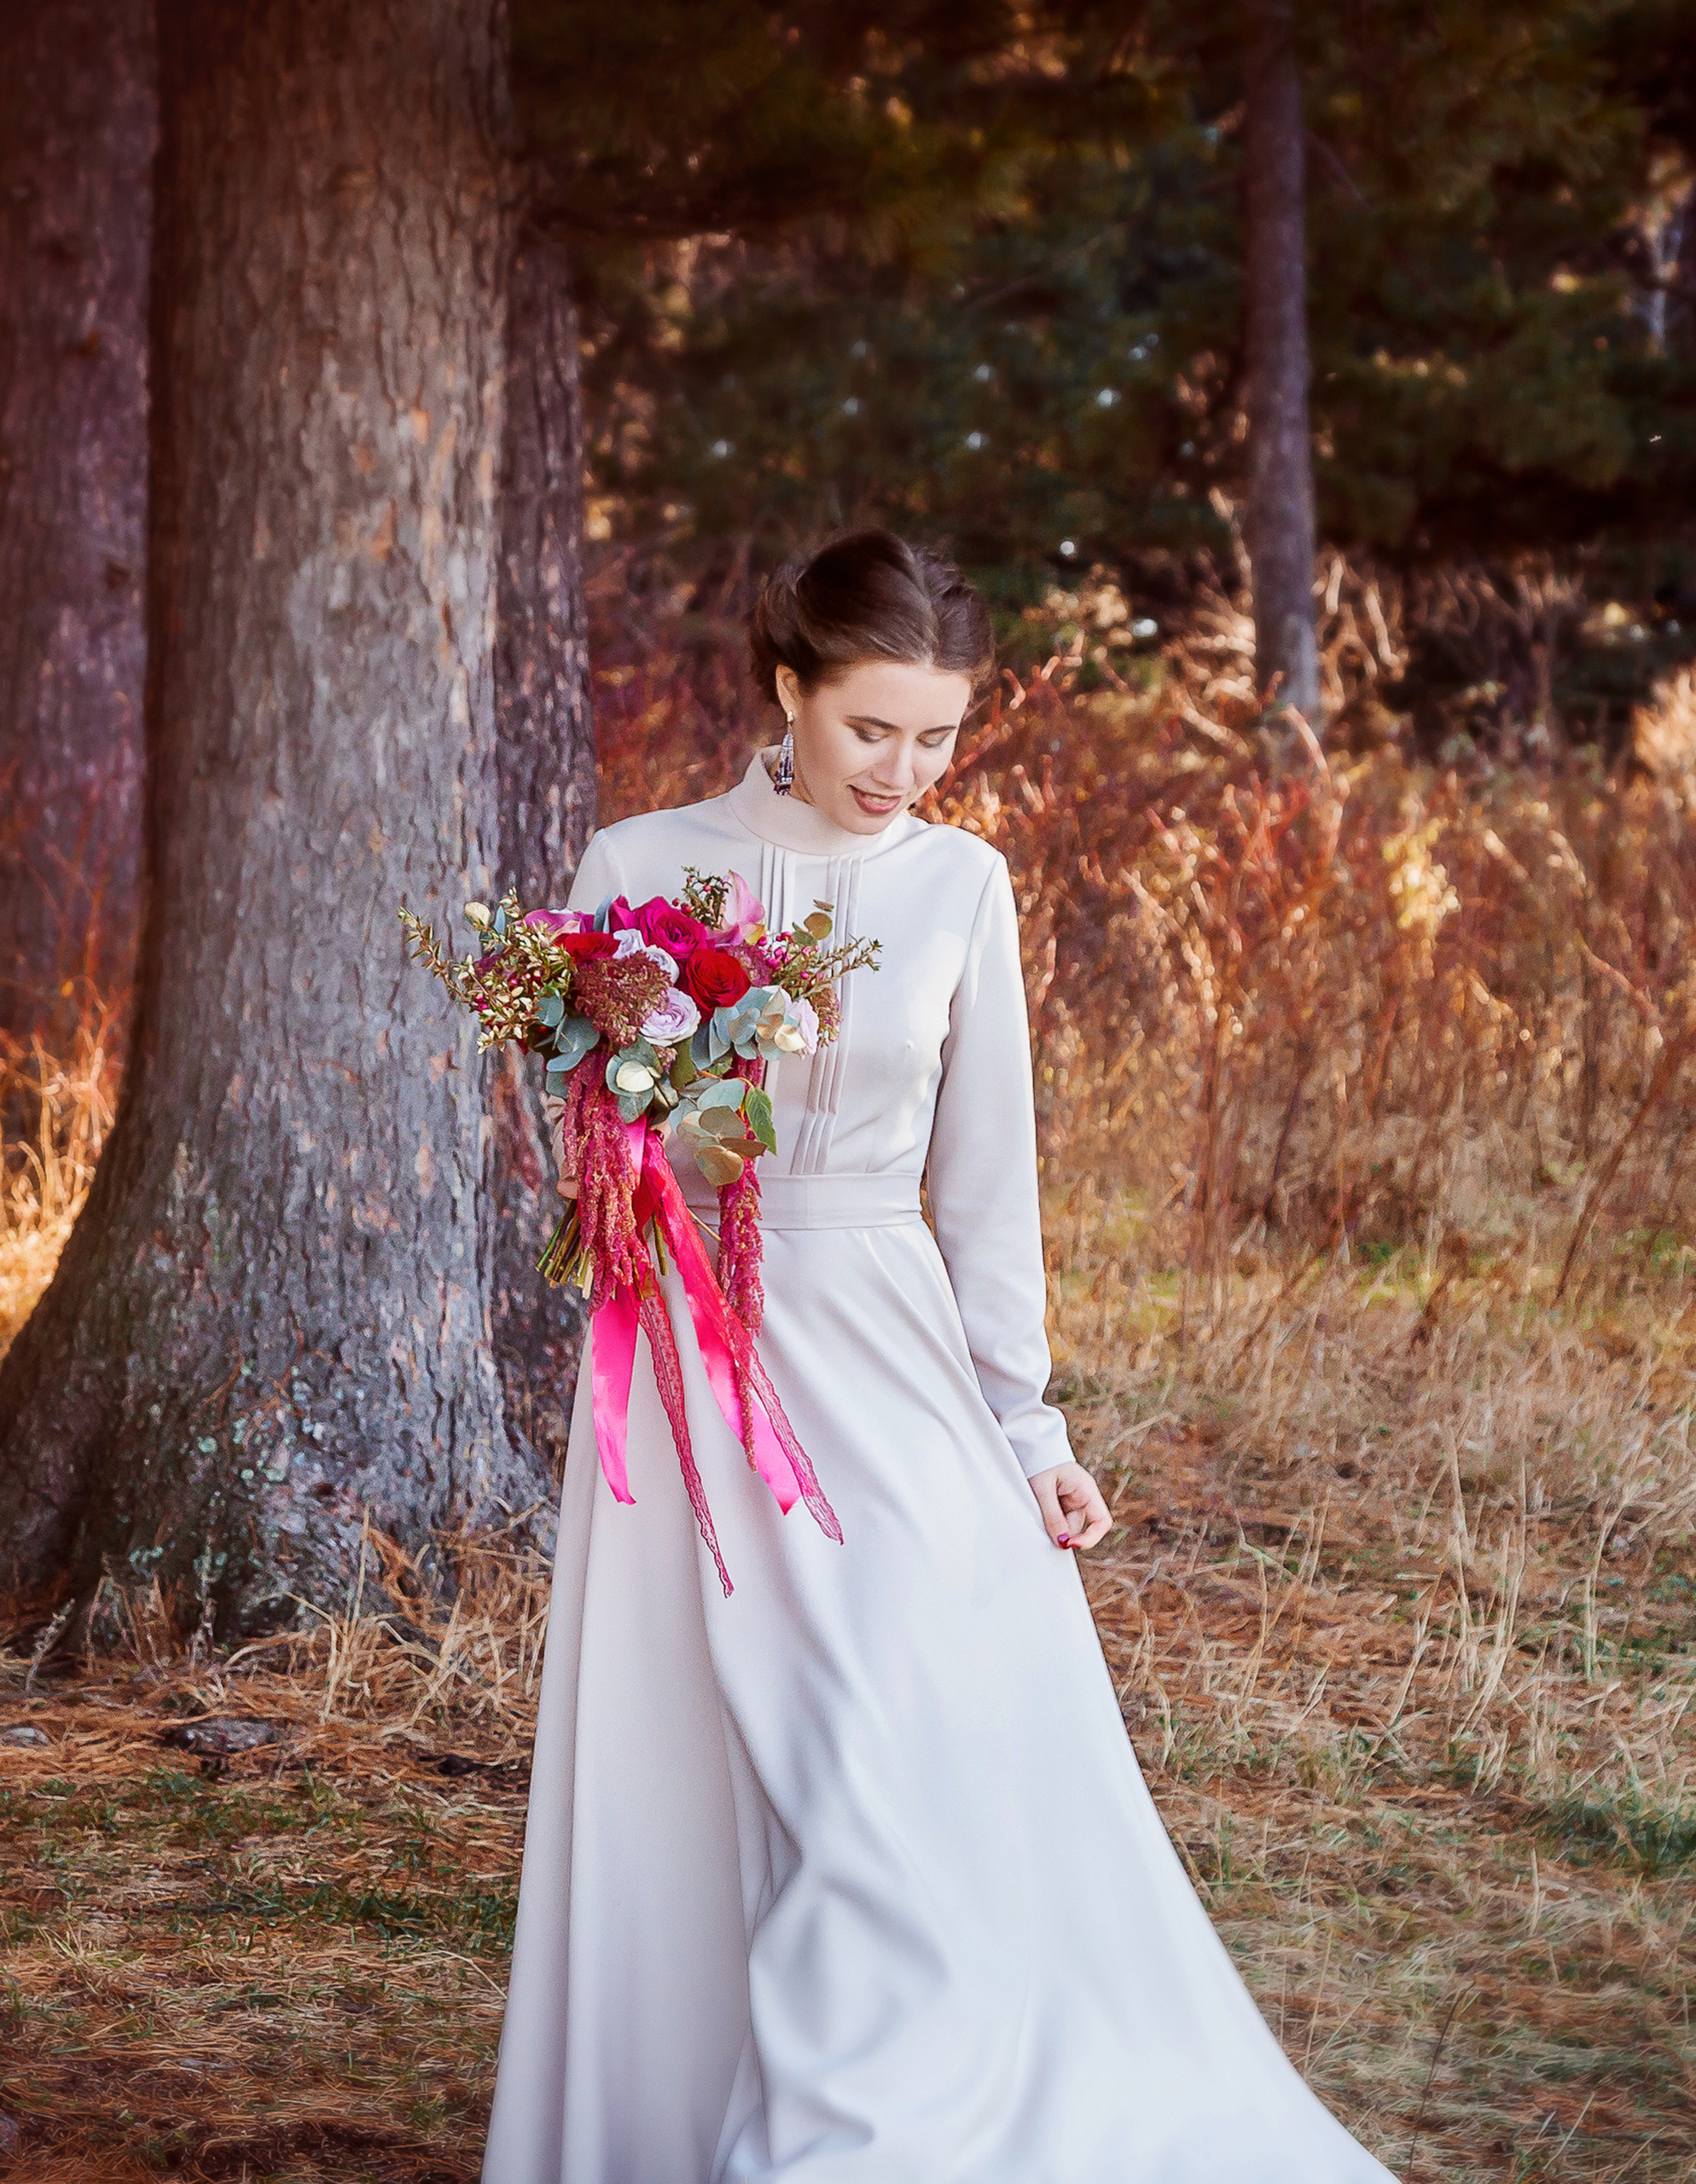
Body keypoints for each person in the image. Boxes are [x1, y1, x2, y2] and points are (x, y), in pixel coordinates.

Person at [481, 529, 1396, 2183]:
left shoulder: (961, 881)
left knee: (897, 1731)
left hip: (886, 1341)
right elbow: (586, 1135)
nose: (899, 769)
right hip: (691, 1343)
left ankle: (874, 2127)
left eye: (933, 736)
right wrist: (637, 1143)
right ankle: (707, 2115)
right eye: (866, 730)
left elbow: (988, 1180)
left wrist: (1026, 1422)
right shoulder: (642, 857)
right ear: (787, 692)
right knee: (705, 1744)